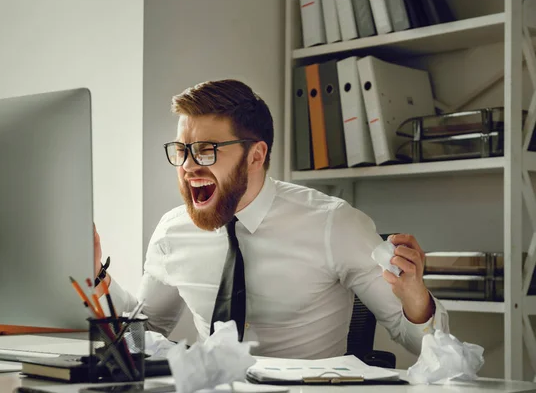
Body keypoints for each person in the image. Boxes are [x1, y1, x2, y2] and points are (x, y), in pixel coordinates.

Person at [96, 79, 449, 359]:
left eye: (206, 151)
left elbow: (423, 345)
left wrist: (416, 298)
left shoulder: (333, 223)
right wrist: (96, 276)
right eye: (182, 151)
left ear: (256, 154)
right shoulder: (173, 231)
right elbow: (143, 334)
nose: (188, 166)